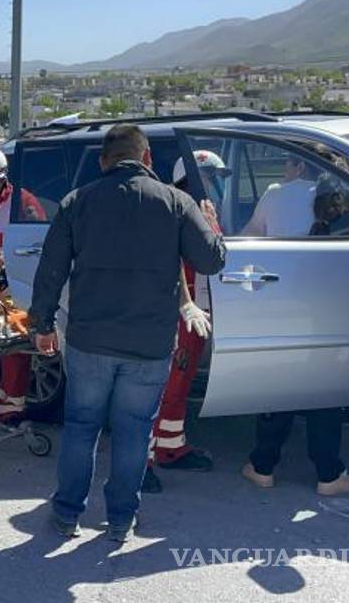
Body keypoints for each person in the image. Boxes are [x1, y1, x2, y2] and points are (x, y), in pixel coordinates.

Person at [29, 124, 226, 543]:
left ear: (104, 161)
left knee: (81, 427)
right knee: (134, 431)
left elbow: (51, 270)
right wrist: (211, 226)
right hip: (150, 344)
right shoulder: (177, 202)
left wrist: (42, 325)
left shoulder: (76, 201)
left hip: (89, 340)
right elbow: (210, 261)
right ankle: (121, 519)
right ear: (148, 158)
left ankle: (67, 514)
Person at [239, 174, 349, 497]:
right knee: (325, 392)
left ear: (296, 162)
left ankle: (262, 466)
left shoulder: (276, 194)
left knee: (281, 385)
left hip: (287, 305)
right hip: (335, 312)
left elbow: (246, 240)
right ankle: (329, 473)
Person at [140, 154, 225, 494]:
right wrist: (209, 226)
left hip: (196, 314)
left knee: (179, 386)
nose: (219, 184)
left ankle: (170, 446)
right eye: (213, 177)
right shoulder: (178, 210)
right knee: (157, 392)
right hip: (176, 311)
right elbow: (204, 254)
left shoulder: (199, 209)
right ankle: (141, 463)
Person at [0, 147, 46, 424]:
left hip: (12, 283)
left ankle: (11, 408)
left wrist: (10, 254)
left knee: (13, 344)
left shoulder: (22, 201)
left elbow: (37, 239)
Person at [241, 154, 316, 236]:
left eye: (287, 164)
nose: (284, 171)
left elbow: (252, 232)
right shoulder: (324, 194)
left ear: (300, 167)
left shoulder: (274, 193)